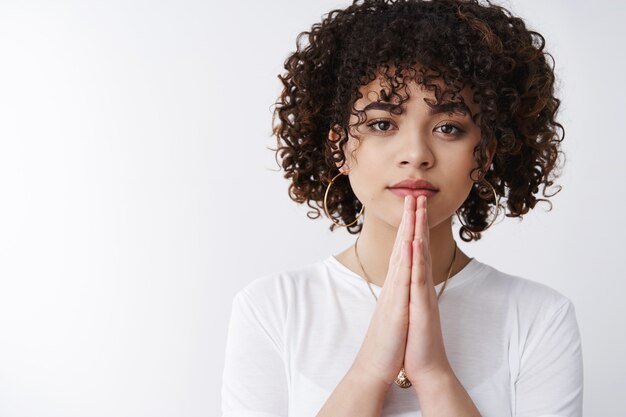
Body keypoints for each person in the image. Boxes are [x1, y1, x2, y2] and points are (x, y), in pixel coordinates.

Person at [221, 0, 583, 415]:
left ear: (483, 156)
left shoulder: (539, 317)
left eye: (448, 128)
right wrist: (371, 369)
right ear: (340, 145)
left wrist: (434, 374)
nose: (415, 153)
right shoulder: (272, 308)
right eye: (382, 124)